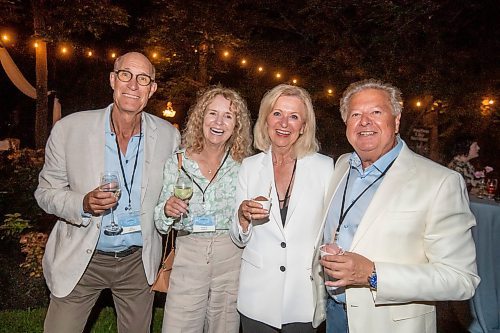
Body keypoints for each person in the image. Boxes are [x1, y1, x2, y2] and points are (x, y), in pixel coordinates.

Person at [313, 79, 480, 333]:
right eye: (356, 114)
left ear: (397, 120)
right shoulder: (342, 166)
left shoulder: (440, 182)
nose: (365, 121)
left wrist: (373, 274)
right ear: (346, 124)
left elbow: (460, 279)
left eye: (376, 112)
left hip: (389, 324)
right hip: (332, 315)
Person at [35, 52, 180, 332]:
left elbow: (171, 193)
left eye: (143, 79)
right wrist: (83, 204)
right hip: (82, 257)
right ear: (113, 80)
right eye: (125, 75)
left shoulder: (168, 136)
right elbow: (45, 192)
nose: (133, 85)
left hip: (138, 261)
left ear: (152, 89)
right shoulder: (70, 129)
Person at [230, 84, 334, 332]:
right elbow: (238, 237)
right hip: (257, 295)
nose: (284, 123)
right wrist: (242, 217)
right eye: (277, 113)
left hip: (303, 296)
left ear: (304, 127)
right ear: (266, 119)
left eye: (294, 116)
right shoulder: (249, 166)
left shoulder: (324, 167)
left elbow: (331, 229)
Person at [154, 85, 253, 333]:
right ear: (201, 117)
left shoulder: (244, 165)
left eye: (228, 116)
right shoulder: (178, 161)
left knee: (225, 326)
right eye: (213, 113)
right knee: (179, 326)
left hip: (231, 255)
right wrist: (167, 210)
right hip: (189, 254)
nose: (219, 122)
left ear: (236, 125)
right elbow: (159, 220)